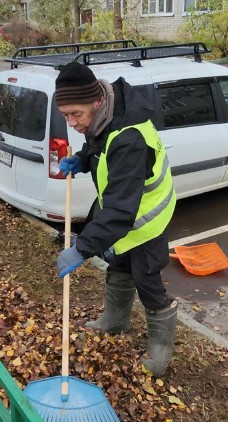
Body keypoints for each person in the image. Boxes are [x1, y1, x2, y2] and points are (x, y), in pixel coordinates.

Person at [52, 61, 178, 377]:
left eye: (76, 114)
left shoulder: (129, 138)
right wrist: (81, 160)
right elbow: (97, 144)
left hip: (147, 217)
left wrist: (82, 249)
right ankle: (115, 321)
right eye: (65, 115)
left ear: (96, 101)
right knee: (119, 263)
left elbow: (122, 212)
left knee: (146, 278)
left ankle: (161, 346)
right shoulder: (106, 113)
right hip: (123, 212)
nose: (72, 123)